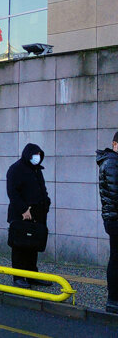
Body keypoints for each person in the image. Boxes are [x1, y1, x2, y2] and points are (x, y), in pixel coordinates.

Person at [6, 143, 52, 289]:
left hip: (38, 215)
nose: (37, 157)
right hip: (21, 215)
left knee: (33, 246)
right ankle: (18, 277)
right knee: (19, 246)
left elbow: (42, 189)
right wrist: (24, 210)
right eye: (35, 154)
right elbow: (12, 192)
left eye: (39, 154)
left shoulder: (37, 170)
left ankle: (32, 275)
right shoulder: (16, 169)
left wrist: (46, 203)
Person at [98, 131, 118, 313]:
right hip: (115, 219)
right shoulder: (112, 163)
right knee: (116, 258)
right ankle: (113, 299)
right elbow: (115, 193)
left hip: (113, 218)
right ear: (114, 144)